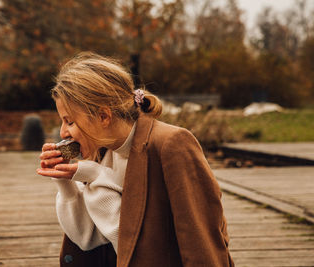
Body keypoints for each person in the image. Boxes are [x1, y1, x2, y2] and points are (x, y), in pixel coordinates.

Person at [37, 52, 234, 267]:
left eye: (70, 122)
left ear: (103, 116)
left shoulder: (172, 144)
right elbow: (87, 238)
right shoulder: (101, 150)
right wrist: (66, 184)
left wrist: (97, 175)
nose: (63, 132)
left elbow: (201, 241)